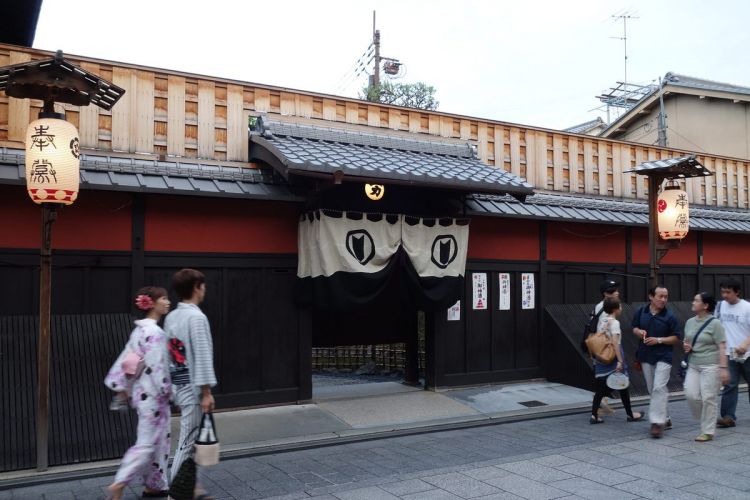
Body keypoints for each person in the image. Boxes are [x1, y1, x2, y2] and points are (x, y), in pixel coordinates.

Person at [105, 287, 172, 499]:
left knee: (158, 442)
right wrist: (169, 391)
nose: (168, 302)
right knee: (147, 444)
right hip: (154, 396)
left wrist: (123, 388)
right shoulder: (155, 333)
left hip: (142, 394)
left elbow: (125, 361)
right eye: (164, 298)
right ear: (151, 303)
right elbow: (157, 366)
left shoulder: (139, 331)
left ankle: (155, 485)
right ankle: (119, 482)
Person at [165, 269, 217, 498]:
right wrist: (206, 392)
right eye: (202, 285)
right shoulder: (196, 317)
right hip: (194, 388)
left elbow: (170, 356)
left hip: (179, 382)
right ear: (197, 287)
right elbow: (203, 355)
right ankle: (174, 494)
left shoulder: (172, 316)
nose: (204, 289)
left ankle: (191, 488)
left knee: (189, 440)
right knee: (186, 444)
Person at [632, 284, 682, 438]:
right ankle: (665, 419)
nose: (663, 299)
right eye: (660, 296)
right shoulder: (641, 311)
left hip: (664, 355)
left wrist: (659, 340)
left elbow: (676, 337)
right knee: (651, 389)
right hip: (645, 355)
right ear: (651, 297)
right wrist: (639, 332)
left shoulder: (670, 316)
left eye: (666, 296)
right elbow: (634, 327)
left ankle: (656, 423)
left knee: (659, 387)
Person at [683, 292, 729, 442]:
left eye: (696, 300)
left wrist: (723, 368)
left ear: (705, 305)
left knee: (709, 397)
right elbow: (687, 340)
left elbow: (722, 346)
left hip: (711, 365)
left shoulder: (715, 323)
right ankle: (709, 417)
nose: (693, 302)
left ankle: (707, 430)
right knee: (691, 395)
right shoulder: (690, 321)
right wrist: (686, 346)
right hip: (694, 363)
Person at [590, 297, 644, 424]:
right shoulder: (615, 323)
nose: (621, 307)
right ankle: (630, 415)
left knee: (605, 388)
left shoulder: (602, 321)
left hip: (602, 357)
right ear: (615, 308)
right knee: (621, 385)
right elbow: (615, 343)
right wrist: (620, 361)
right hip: (613, 358)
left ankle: (594, 415)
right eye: (620, 305)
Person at [716, 278, 750, 428]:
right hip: (729, 353)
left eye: (728, 292)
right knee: (729, 385)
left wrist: (745, 344)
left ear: (737, 292)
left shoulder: (747, 307)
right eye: (723, 291)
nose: (724, 295)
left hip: (748, 353)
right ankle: (728, 417)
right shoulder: (719, 306)